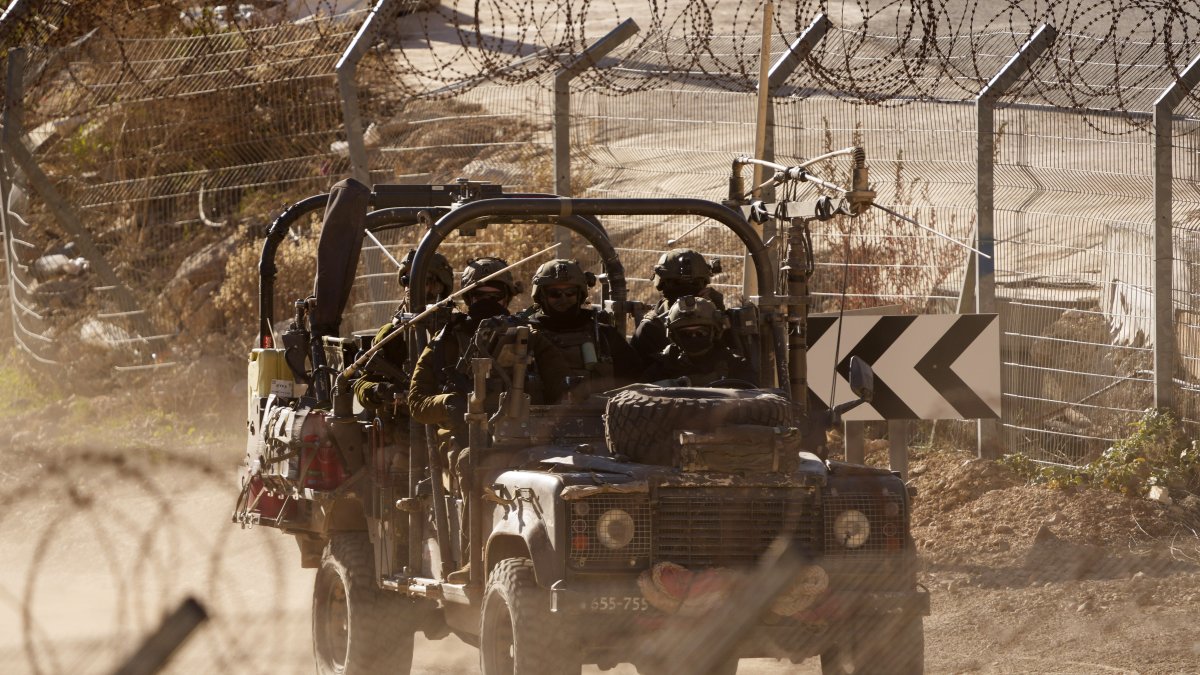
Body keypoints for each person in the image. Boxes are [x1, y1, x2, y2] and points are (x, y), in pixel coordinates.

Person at [408, 256, 568, 583]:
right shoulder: (447, 341)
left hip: (530, 438)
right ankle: (474, 561)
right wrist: (450, 403)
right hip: (467, 439)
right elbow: (416, 400)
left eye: (494, 295)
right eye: (478, 295)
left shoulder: (531, 337)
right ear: (467, 298)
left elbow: (563, 391)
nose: (487, 302)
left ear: (507, 298)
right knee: (472, 465)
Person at [352, 249, 454, 413]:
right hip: (402, 429)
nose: (410, 287)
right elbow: (361, 385)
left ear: (440, 286)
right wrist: (380, 390)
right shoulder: (391, 334)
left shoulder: (456, 330)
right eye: (406, 281)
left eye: (422, 281)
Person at [522, 258, 642, 395]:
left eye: (570, 293)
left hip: (600, 415)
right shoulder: (525, 336)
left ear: (580, 295)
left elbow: (635, 385)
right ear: (541, 296)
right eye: (554, 294)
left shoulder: (605, 336)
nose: (563, 299)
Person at [631, 248, 726, 361]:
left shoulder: (649, 328)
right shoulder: (651, 328)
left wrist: (720, 315)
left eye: (693, 284)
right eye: (677, 284)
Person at [643, 295, 758, 387]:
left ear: (715, 332)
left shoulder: (736, 367)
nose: (694, 337)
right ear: (674, 336)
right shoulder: (660, 369)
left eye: (701, 332)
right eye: (685, 334)